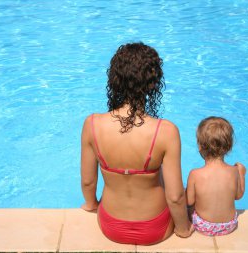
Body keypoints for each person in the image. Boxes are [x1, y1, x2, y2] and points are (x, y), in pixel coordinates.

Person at [80, 42, 193, 245]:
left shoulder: (92, 124)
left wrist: (91, 204)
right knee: (166, 179)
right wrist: (183, 229)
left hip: (110, 226)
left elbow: (88, 182)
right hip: (155, 228)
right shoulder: (166, 131)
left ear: (115, 80)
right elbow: (175, 197)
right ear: (153, 83)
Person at [186, 116, 247, 236]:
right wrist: (241, 174)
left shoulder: (195, 174)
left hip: (203, 226)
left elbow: (189, 201)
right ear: (229, 146)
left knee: (187, 205)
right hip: (229, 225)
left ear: (200, 146)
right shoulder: (234, 171)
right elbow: (238, 196)